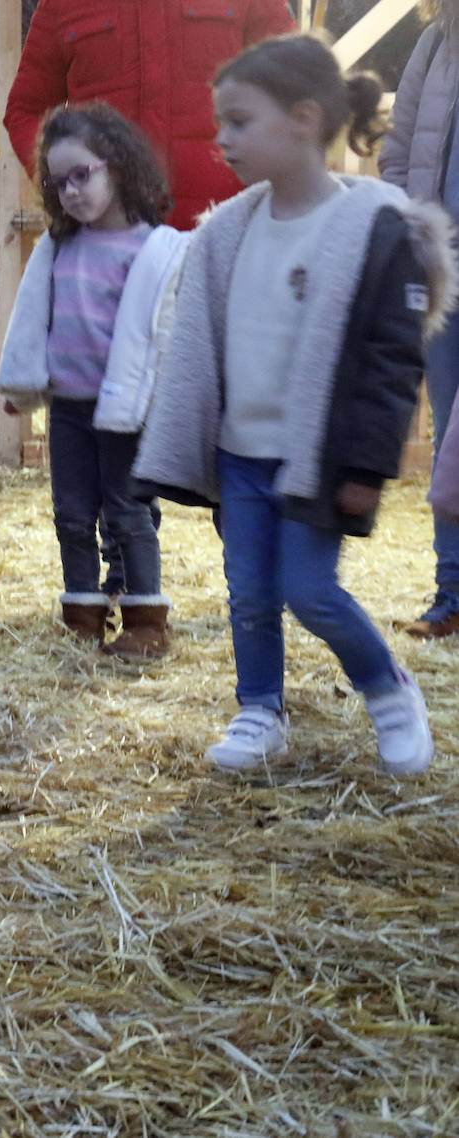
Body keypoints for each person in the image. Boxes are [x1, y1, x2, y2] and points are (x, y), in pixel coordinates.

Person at [134, 34, 456, 776]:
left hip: (316, 456)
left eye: (241, 122)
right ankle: (258, 710)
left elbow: (389, 361)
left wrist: (367, 465)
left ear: (305, 119)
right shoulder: (227, 231)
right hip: (241, 454)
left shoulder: (374, 231)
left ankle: (389, 687)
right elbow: (196, 342)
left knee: (308, 592)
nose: (223, 139)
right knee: (248, 593)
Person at [0, 102, 186, 658]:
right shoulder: (59, 246)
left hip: (124, 411)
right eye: (58, 183)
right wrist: (24, 385)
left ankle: (146, 620)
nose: (70, 192)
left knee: (128, 513)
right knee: (72, 514)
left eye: (82, 175)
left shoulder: (152, 248)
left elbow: (164, 332)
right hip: (70, 408)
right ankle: (82, 613)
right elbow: (36, 320)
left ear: (118, 166)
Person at [4, 0, 296, 231]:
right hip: (109, 244)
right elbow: (25, 111)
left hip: (227, 236)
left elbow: (293, 87)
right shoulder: (62, 4)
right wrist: (69, 186)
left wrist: (271, 196)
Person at [379, 0, 459, 638]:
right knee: (446, 433)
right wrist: (415, 225)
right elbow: (400, 144)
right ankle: (451, 596)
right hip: (447, 270)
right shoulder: (437, 41)